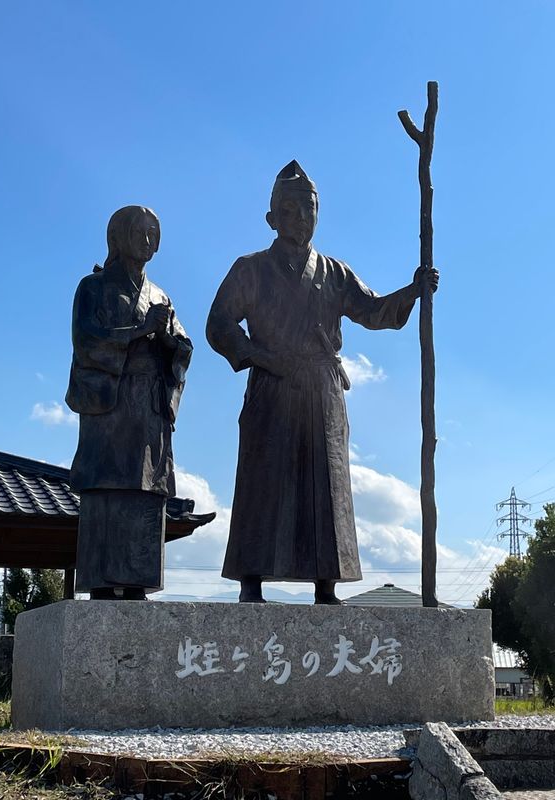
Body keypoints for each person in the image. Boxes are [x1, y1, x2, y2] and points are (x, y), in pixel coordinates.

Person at [206, 160, 438, 604]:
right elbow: (219, 324)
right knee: (263, 477)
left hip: (322, 389)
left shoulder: (334, 272)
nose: (301, 217)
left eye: (309, 208)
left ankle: (325, 583)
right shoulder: (250, 269)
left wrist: (412, 290)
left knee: (326, 482)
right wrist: (260, 355)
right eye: (290, 209)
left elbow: (372, 311)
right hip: (272, 386)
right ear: (272, 218)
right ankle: (251, 580)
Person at [66, 205, 192, 600]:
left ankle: (138, 581)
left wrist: (170, 342)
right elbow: (86, 340)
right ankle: (102, 581)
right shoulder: (93, 287)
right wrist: (139, 330)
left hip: (148, 408)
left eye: (154, 232)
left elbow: (182, 348)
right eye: (139, 231)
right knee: (107, 484)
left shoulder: (160, 295)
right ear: (116, 237)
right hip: (111, 405)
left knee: (146, 489)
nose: (148, 239)